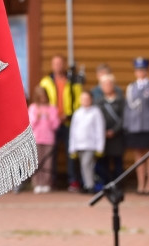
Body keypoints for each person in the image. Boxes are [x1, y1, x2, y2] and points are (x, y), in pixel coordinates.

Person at [39, 54, 82, 191]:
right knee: (52, 153)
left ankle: (72, 180)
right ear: (52, 66)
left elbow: (78, 99)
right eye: (55, 63)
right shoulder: (45, 82)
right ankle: (51, 180)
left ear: (64, 65)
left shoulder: (72, 81)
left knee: (71, 151)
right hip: (51, 123)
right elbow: (42, 99)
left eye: (60, 63)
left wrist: (69, 115)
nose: (58, 66)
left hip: (69, 121)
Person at [124, 57, 149, 194]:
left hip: (148, 125)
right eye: (138, 70)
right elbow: (128, 108)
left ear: (147, 71)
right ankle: (141, 184)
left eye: (143, 70)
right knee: (138, 154)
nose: (140, 72)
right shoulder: (131, 87)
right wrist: (126, 125)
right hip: (135, 126)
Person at [69, 90, 105, 192]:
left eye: (87, 98)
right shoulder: (77, 113)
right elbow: (73, 130)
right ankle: (87, 184)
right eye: (83, 99)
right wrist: (72, 147)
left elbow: (99, 129)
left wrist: (100, 147)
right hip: (79, 145)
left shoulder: (95, 112)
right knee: (84, 166)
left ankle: (90, 185)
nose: (85, 101)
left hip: (91, 144)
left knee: (86, 164)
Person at [28, 85, 61, 193]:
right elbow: (30, 125)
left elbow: (56, 125)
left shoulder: (52, 108)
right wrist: (36, 118)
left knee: (47, 163)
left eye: (44, 96)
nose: (42, 98)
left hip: (48, 139)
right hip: (36, 138)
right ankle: (37, 183)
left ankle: (46, 183)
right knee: (36, 162)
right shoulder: (33, 108)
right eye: (40, 96)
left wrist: (49, 118)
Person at [96, 73, 125, 189]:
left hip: (117, 136)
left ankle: (118, 184)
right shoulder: (99, 101)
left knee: (118, 162)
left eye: (109, 84)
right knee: (104, 161)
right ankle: (106, 184)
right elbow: (96, 118)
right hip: (103, 137)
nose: (107, 86)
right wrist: (102, 131)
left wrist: (114, 130)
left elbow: (124, 118)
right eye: (104, 84)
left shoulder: (121, 100)